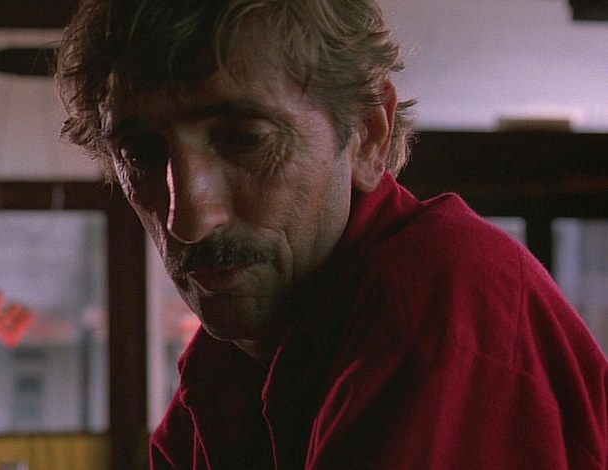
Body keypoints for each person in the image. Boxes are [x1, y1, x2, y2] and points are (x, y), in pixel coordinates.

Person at [55, 0, 608, 468]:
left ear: (367, 135)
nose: (188, 220)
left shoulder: (434, 298)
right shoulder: (228, 360)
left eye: (246, 139)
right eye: (141, 155)